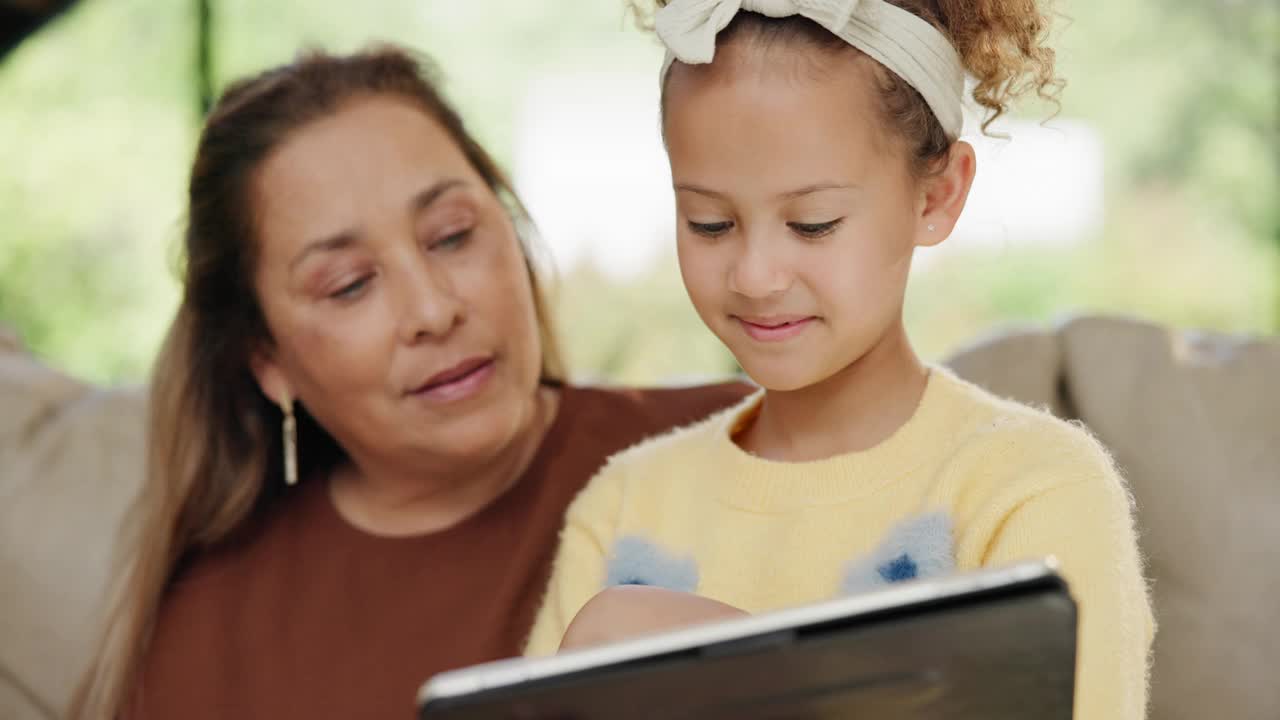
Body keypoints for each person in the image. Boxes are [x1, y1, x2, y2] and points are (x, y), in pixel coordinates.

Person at [69, 46, 748, 720]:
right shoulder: (213, 626)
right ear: (267, 360)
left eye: (452, 236)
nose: (433, 310)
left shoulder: (750, 448)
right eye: (350, 284)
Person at [525, 1, 1155, 717]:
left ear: (938, 194)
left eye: (812, 224)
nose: (755, 275)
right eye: (710, 223)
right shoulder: (623, 509)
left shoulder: (1032, 489)